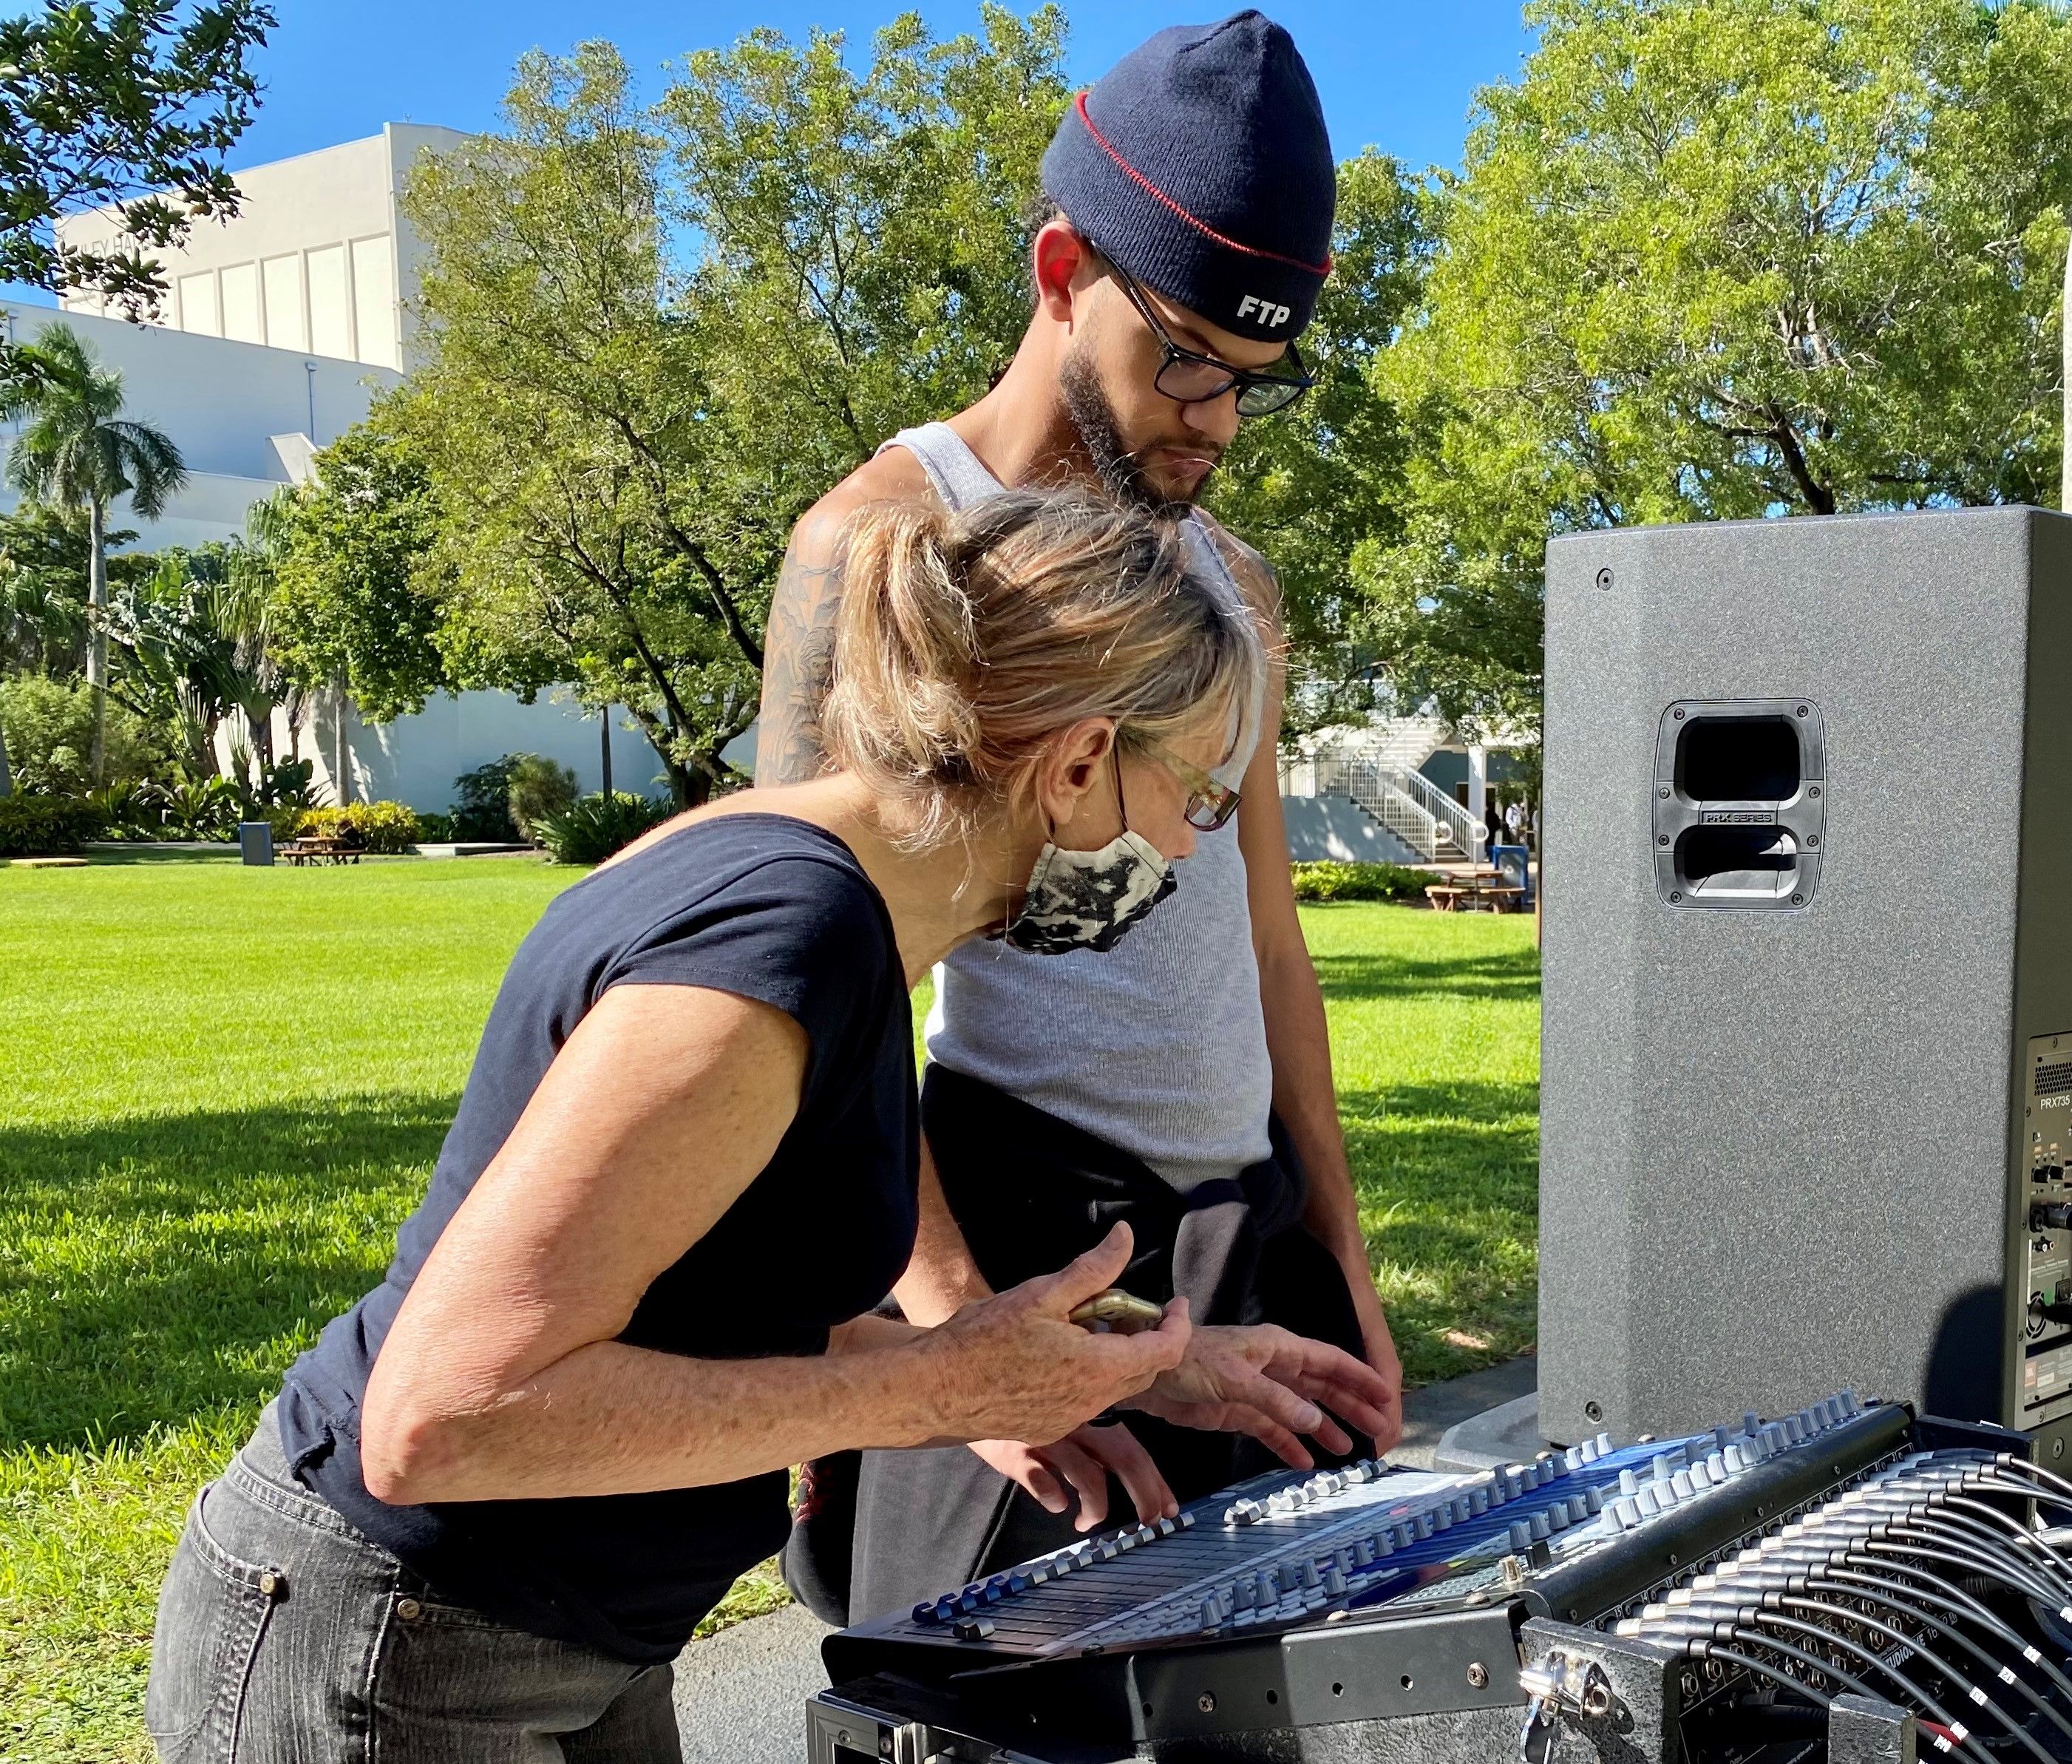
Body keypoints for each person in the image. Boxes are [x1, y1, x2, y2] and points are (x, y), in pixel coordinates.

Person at [143, 491, 1393, 1764]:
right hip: (391, 1646)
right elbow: (442, 1417)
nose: (1188, 845)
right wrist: (932, 1391)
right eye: (1196, 793)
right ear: (1076, 762)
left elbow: (711, 1298)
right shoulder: (781, 941)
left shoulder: (826, 892)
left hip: (549, 1636)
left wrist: (1136, 1362)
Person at [755, 12, 1406, 1624]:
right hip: (1013, 1219)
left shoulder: (1227, 585)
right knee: (990, 1705)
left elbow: (1267, 942)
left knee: (1269, 1695)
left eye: (1258, 380)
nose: (1216, 419)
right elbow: (794, 981)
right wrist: (958, 1332)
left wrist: (1340, 1249)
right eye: (1184, 354)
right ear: (1062, 267)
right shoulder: (878, 544)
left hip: (1236, 1234)